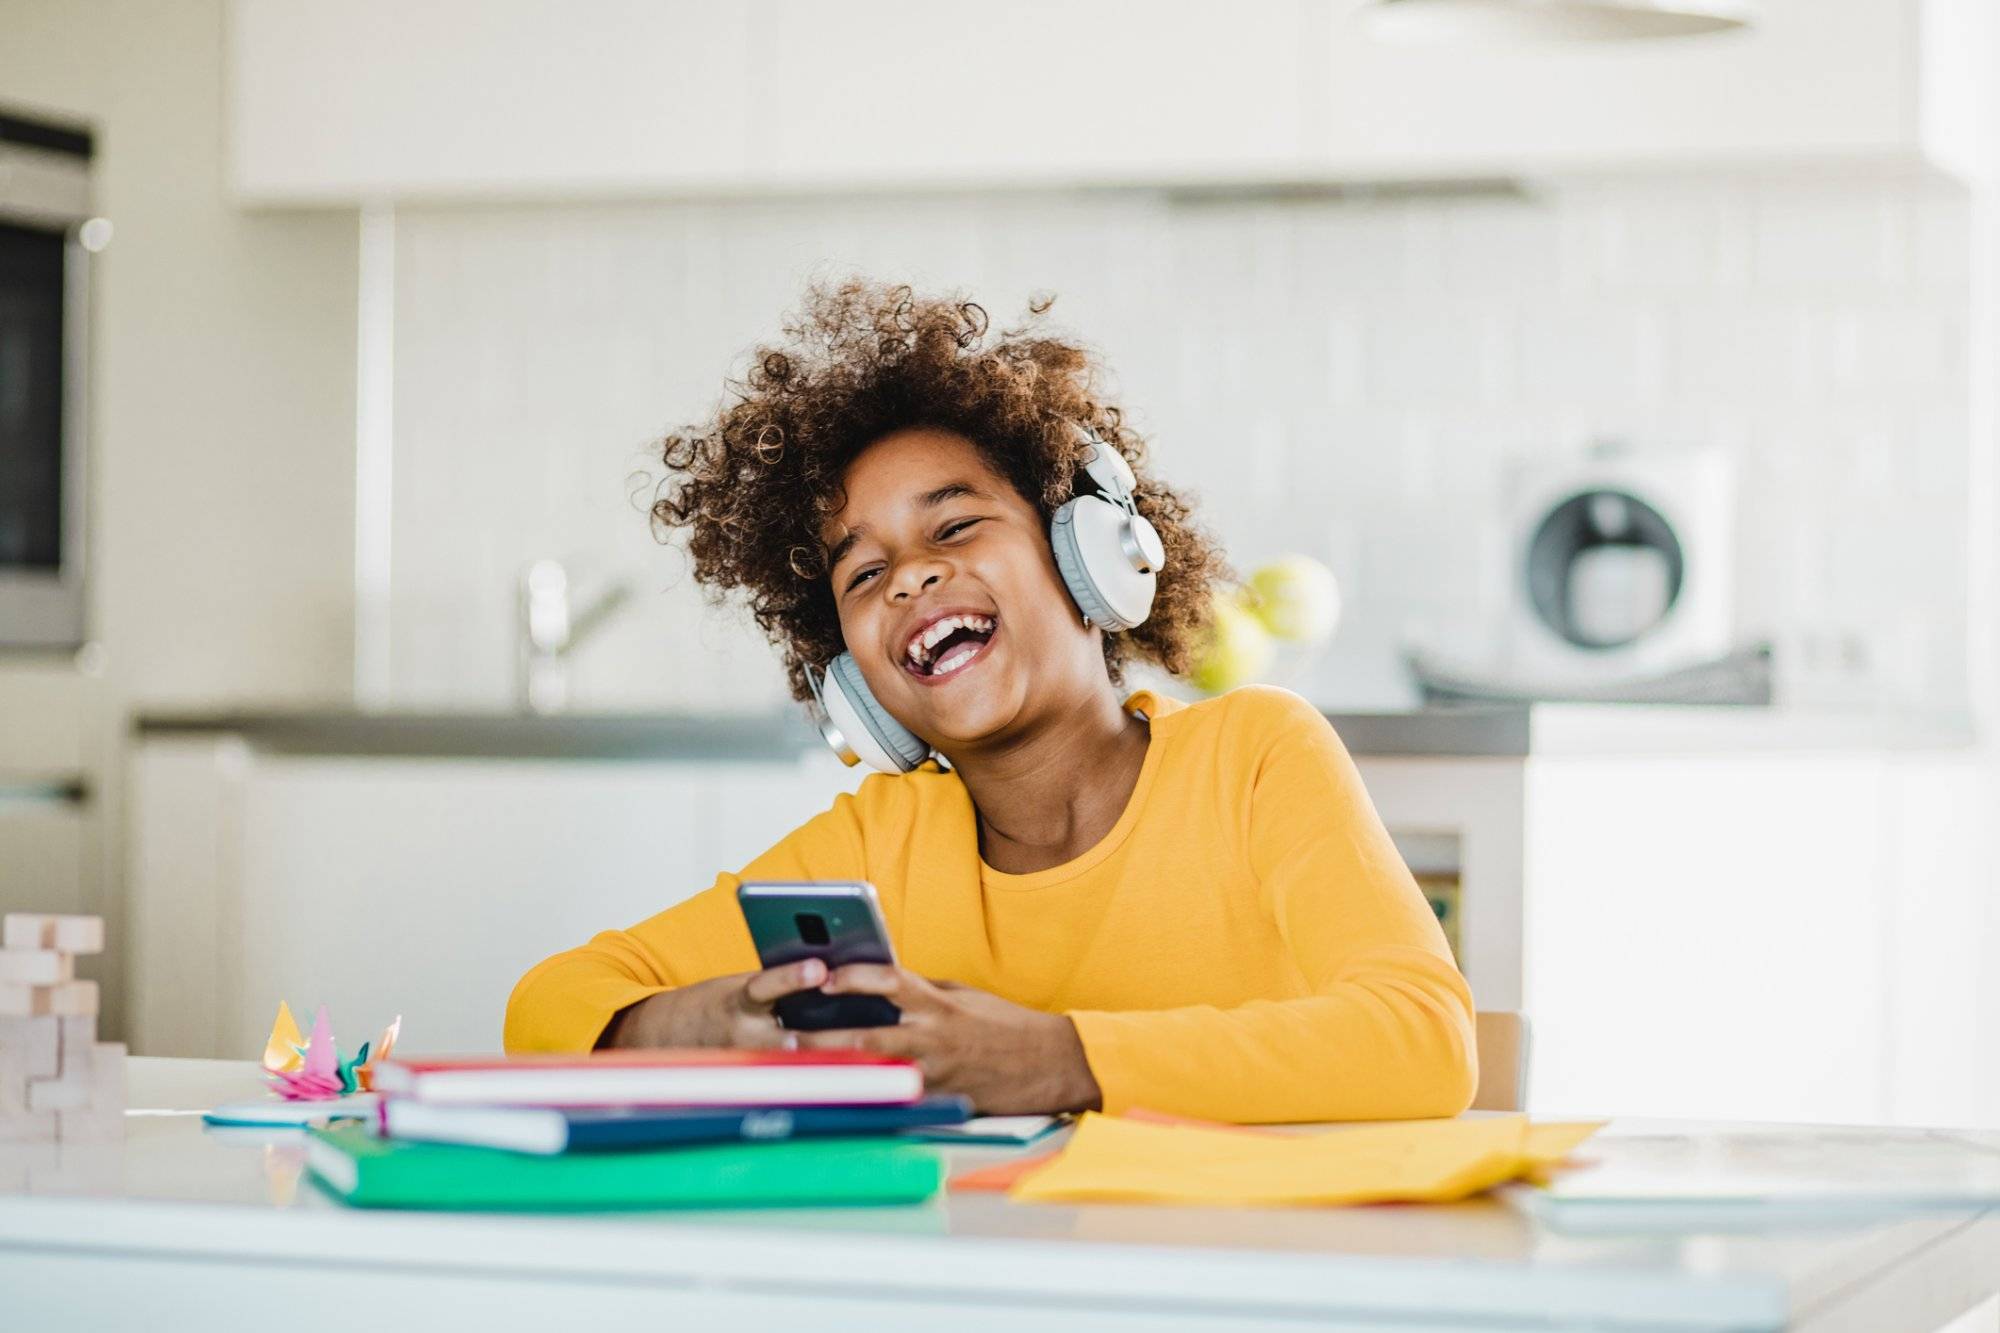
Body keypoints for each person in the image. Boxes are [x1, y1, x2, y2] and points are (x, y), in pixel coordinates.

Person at [504, 281, 1476, 1121]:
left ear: (1088, 554)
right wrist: (702, 1022)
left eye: (955, 526)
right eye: (864, 573)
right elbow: (544, 1004)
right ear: (848, 678)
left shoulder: (1254, 753)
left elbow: (1424, 1040)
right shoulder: (876, 844)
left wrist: (1053, 1058)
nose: (909, 580)